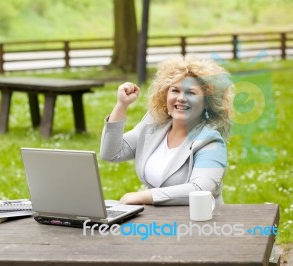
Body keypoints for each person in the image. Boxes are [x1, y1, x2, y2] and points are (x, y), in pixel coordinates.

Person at [100, 56, 233, 205]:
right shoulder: (152, 126)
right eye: (175, 90)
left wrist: (146, 196)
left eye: (191, 93)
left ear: (206, 102)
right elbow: (110, 153)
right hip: (156, 221)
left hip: (199, 222)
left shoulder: (210, 141)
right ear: (165, 95)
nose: (181, 98)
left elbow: (201, 189)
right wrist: (122, 105)